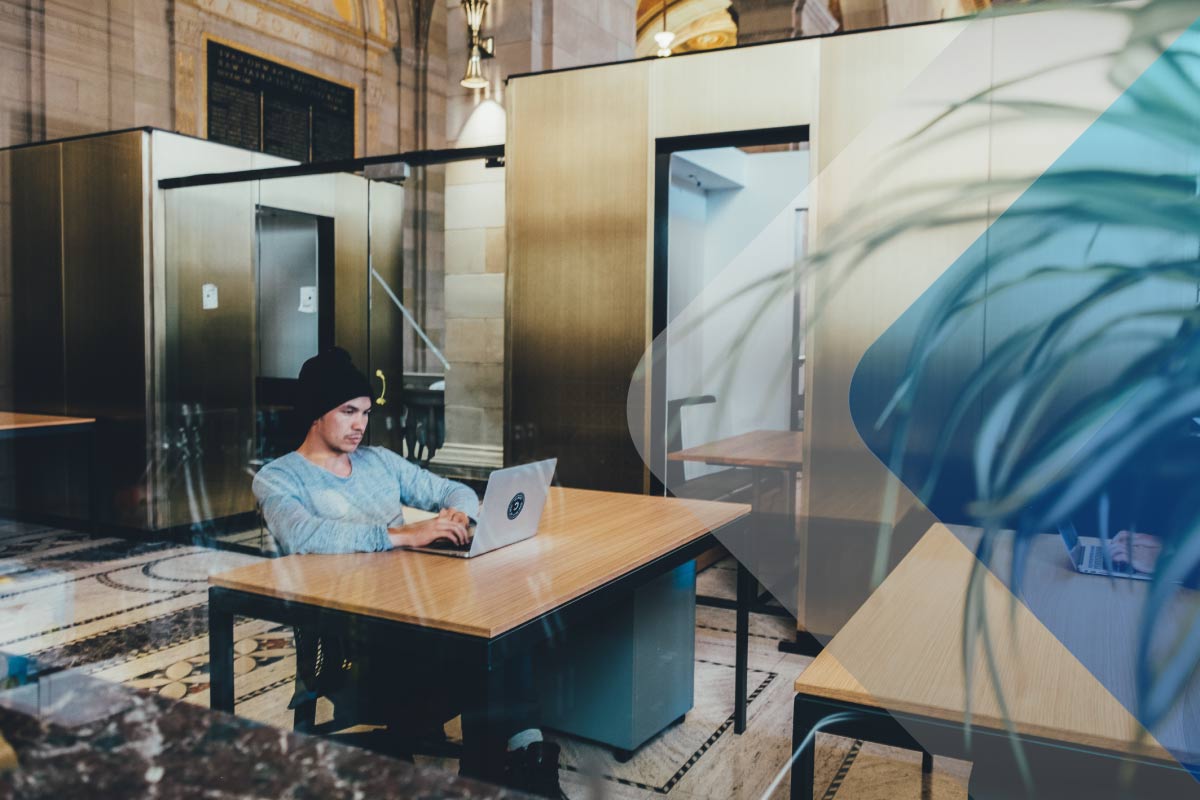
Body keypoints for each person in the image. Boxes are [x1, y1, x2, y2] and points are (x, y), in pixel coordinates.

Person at [252, 347, 564, 798]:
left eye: (364, 412)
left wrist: (457, 513)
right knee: (485, 656)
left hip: (414, 613)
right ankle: (502, 769)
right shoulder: (279, 478)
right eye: (347, 412)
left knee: (502, 626)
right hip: (353, 644)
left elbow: (453, 489)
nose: (360, 424)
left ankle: (519, 760)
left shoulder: (378, 461)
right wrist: (404, 535)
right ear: (316, 414)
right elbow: (304, 534)